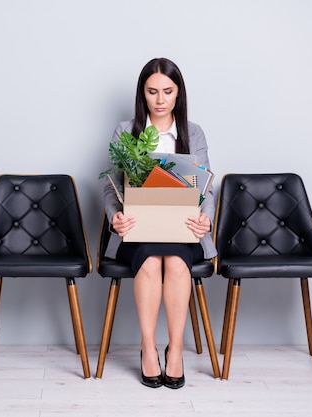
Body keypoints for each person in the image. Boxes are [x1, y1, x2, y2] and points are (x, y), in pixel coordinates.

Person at [102, 58, 217, 389]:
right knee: (151, 262)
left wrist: (205, 217)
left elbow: (208, 185)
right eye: (152, 92)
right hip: (138, 229)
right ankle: (148, 347)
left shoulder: (193, 133)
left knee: (178, 265)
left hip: (182, 229)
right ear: (143, 94)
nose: (160, 99)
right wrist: (116, 218)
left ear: (178, 94)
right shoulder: (125, 131)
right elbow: (110, 185)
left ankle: (176, 349)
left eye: (167, 91)